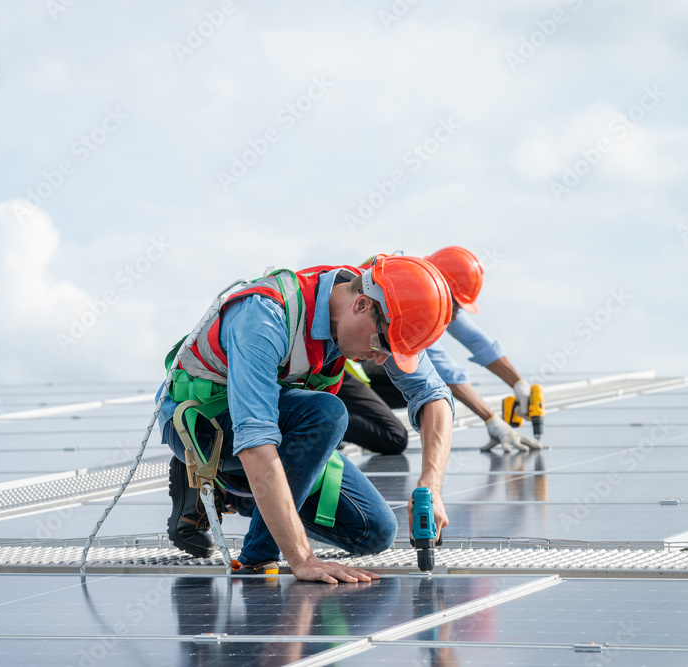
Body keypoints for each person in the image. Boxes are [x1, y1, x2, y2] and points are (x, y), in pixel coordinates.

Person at [158, 255, 455, 584]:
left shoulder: (383, 304)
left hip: (276, 423)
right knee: (326, 413)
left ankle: (233, 493)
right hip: (206, 421)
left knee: (374, 532)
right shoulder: (264, 316)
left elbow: (433, 395)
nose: (381, 358)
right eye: (382, 343)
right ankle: (257, 551)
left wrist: (431, 486)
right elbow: (255, 442)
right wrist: (302, 558)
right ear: (361, 305)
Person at [361, 246, 543, 453]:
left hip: (363, 364)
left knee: (418, 384)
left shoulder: (423, 283)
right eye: (456, 304)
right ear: (442, 286)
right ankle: (349, 414)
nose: (455, 314)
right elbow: (442, 368)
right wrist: (491, 419)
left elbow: (475, 338)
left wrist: (519, 384)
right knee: (421, 384)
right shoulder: (405, 296)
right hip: (349, 366)